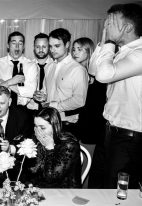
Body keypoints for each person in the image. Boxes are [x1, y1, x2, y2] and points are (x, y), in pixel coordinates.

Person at [89, 3, 142, 189]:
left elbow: (104, 75)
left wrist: (110, 43)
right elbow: (94, 69)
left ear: (127, 27)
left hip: (129, 137)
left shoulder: (139, 54)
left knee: (116, 191)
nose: (106, 25)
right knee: (98, 184)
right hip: (110, 130)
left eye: (111, 22)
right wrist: (105, 41)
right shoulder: (122, 52)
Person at [38, 28, 88, 138]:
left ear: (67, 45)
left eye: (57, 46)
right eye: (50, 46)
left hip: (67, 125)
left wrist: (53, 105)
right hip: (47, 122)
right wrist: (40, 96)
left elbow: (79, 100)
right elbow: (45, 92)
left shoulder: (77, 69)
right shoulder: (49, 67)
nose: (52, 50)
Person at [71, 37, 107, 188]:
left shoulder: (98, 75)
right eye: (73, 49)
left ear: (89, 50)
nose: (75, 53)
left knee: (87, 169)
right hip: (78, 127)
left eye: (80, 49)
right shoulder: (76, 72)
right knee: (76, 170)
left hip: (92, 129)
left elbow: (97, 107)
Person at [24, 107, 81, 188]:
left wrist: (49, 147)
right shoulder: (37, 139)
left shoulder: (69, 144)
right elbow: (31, 172)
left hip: (64, 192)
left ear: (54, 126)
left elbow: (51, 178)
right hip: (40, 189)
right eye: (36, 126)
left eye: (42, 127)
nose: (38, 131)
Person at [0, 31, 37, 107]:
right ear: (8, 45)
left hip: (23, 109)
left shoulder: (31, 66)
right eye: (13, 43)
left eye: (20, 43)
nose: (17, 47)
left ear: (23, 47)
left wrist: (6, 84)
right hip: (0, 108)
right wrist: (11, 81)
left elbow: (31, 92)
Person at [27, 33, 53, 111]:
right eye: (37, 47)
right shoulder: (27, 66)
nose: (41, 50)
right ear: (34, 48)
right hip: (30, 110)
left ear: (49, 47)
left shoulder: (55, 67)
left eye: (44, 47)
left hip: (50, 109)